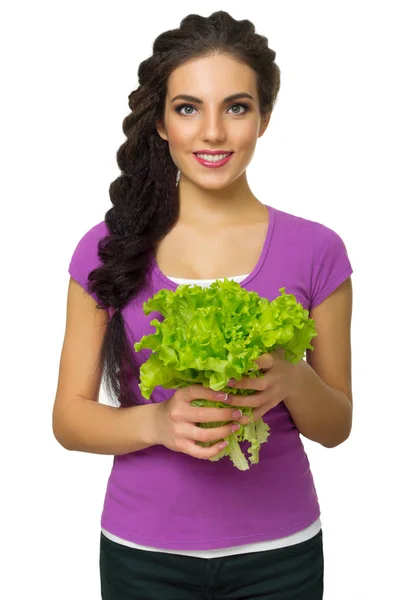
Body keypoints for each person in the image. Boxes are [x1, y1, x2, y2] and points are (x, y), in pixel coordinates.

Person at [52, 10, 353, 600]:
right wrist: (157, 423)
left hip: (281, 555)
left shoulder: (318, 249)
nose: (212, 133)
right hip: (144, 555)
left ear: (264, 118)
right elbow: (68, 418)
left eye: (236, 107)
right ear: (161, 123)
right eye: (188, 108)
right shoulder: (107, 248)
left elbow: (337, 426)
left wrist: (293, 380)